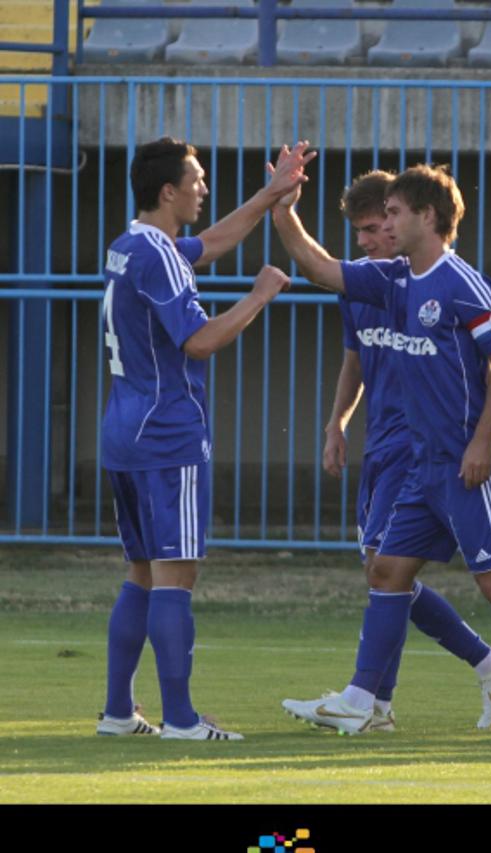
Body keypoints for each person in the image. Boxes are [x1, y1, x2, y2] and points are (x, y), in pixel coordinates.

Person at [273, 163, 491, 742]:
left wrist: (485, 442)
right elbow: (319, 267)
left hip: (463, 464)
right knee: (386, 570)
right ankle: (363, 699)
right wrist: (283, 210)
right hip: (420, 465)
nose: (384, 224)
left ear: (427, 217)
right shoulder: (395, 282)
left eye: (393, 214)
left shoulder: (462, 283)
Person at [97, 136, 313, 740]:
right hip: (168, 434)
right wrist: (260, 295)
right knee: (175, 576)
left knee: (142, 572)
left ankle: (118, 712)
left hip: (125, 430)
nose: (203, 188)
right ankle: (183, 721)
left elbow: (212, 243)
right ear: (168, 191)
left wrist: (271, 194)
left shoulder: (131, 243)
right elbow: (198, 340)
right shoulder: (159, 255)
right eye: (195, 180)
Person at [318, 170, 491, 733]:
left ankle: (373, 699)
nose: (367, 240)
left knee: (386, 569)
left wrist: (480, 436)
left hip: (419, 445)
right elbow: (354, 359)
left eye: (377, 226)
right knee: (382, 571)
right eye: (360, 230)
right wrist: (337, 422)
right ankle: (471, 668)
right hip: (380, 442)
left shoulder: (431, 283)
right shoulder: (364, 289)